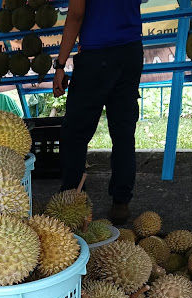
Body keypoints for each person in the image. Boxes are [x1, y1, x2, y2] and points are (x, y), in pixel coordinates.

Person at [53, 0, 144, 225]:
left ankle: (70, 199)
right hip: (131, 52)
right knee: (123, 133)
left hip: (96, 56)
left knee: (74, 133)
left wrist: (60, 65)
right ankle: (121, 202)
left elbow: (76, 15)